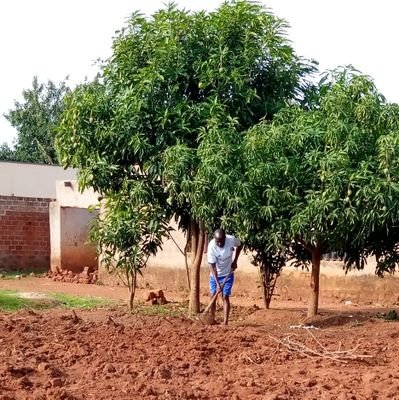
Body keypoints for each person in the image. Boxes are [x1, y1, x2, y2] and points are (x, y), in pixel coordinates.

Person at [207, 228, 242, 325]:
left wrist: (235, 261)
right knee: (213, 295)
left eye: (221, 241)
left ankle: (225, 323)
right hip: (215, 275)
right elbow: (212, 267)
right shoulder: (211, 247)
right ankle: (211, 319)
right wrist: (218, 283)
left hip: (228, 274)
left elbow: (240, 245)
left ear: (225, 238)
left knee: (225, 296)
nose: (219, 244)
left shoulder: (231, 240)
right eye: (217, 241)